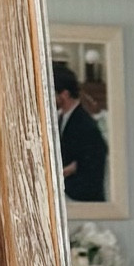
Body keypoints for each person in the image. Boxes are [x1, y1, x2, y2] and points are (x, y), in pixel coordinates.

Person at [52, 61, 107, 203]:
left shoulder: (85, 125)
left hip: (81, 202)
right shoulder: (60, 118)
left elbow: (90, 171)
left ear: (64, 94)